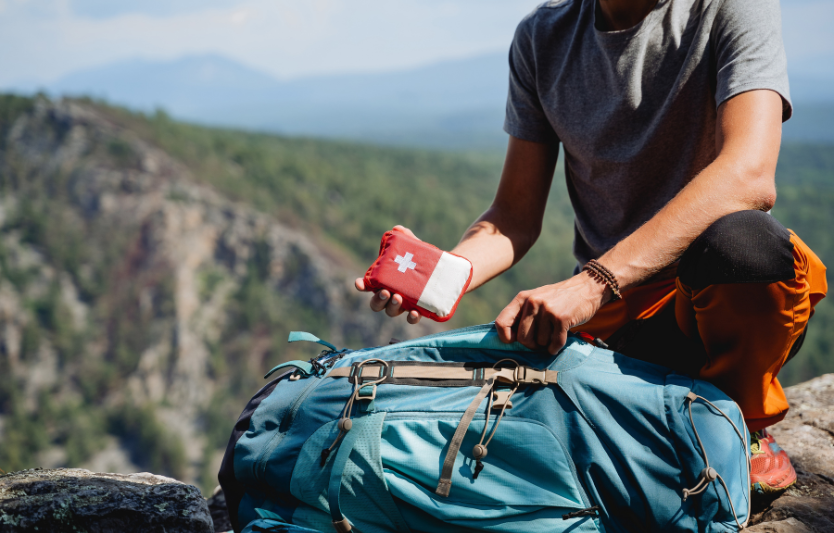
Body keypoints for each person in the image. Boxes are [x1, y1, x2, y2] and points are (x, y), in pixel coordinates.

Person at [355, 0, 827, 494]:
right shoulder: (543, 37)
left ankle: (739, 420)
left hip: (719, 302)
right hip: (620, 325)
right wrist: (439, 274)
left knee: (746, 245)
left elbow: (749, 175)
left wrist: (594, 282)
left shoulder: (730, 7)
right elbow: (513, 217)